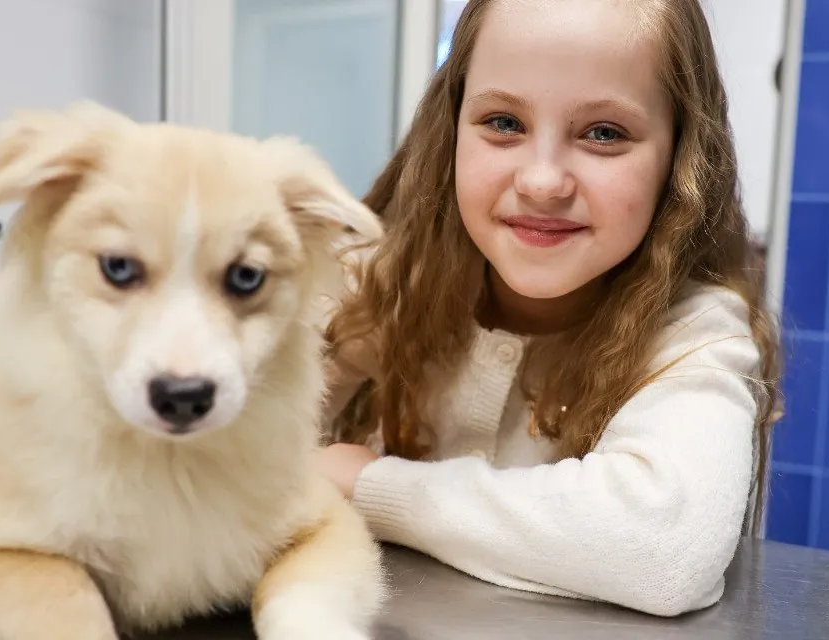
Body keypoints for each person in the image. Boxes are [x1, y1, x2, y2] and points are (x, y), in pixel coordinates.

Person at [318, 0, 782, 618]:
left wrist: (371, 486)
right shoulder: (377, 280)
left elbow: (664, 550)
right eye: (503, 122)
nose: (542, 182)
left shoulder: (694, 332)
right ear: (450, 128)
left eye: (605, 133)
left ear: (680, 159)